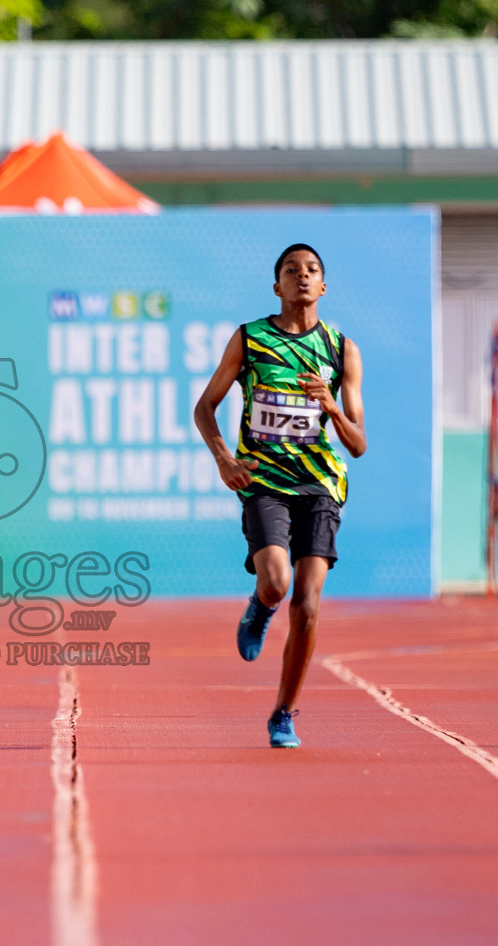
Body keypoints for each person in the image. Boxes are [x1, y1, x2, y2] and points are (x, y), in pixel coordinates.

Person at [193, 245, 367, 749]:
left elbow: (358, 443)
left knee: (308, 604)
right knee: (276, 583)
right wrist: (225, 459)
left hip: (320, 487)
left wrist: (332, 408)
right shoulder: (251, 339)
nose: (303, 278)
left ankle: (284, 713)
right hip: (265, 482)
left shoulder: (340, 349)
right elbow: (206, 407)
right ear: (278, 287)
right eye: (292, 271)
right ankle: (259, 607)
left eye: (312, 271)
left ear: (324, 286)